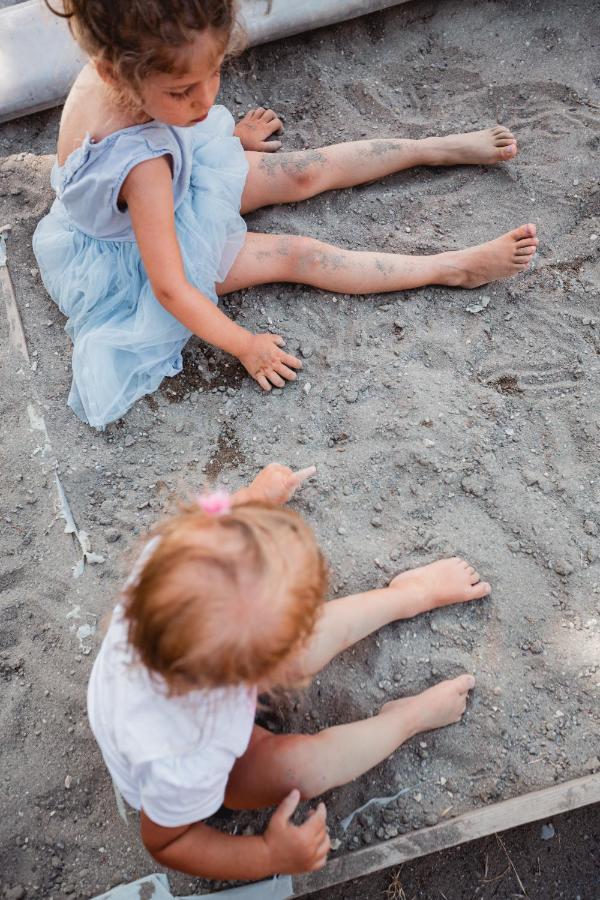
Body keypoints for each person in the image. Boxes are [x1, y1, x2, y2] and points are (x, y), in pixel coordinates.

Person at [34, 0, 539, 428]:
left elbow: (136, 144)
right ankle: (453, 268)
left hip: (165, 185)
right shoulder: (144, 169)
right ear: (116, 72)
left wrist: (216, 137)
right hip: (137, 255)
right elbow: (170, 288)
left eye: (212, 73)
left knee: (301, 172)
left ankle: (433, 149)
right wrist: (244, 345)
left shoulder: (121, 58)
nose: (206, 99)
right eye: (183, 92)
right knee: (298, 254)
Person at [88, 462, 490, 880]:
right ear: (250, 674)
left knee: (302, 634)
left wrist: (255, 496)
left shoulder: (173, 561)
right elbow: (168, 841)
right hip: (205, 745)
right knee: (306, 767)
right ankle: (405, 720)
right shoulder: (183, 757)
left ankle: (410, 595)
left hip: (192, 678)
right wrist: (267, 855)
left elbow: (212, 522)